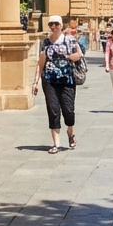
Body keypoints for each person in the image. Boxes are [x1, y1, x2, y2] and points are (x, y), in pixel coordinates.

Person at [32, 15, 82, 153]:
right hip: (49, 80)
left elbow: (79, 55)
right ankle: (56, 144)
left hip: (67, 80)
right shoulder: (46, 42)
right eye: (51, 25)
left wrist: (70, 57)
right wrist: (35, 82)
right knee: (53, 110)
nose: (53, 27)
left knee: (69, 111)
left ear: (61, 25)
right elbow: (40, 63)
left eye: (56, 24)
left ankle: (70, 133)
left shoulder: (69, 40)